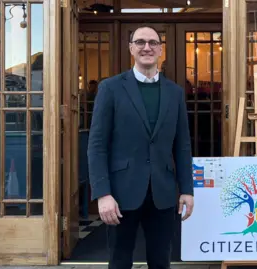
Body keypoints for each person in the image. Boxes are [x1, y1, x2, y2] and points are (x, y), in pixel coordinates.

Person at [87, 25, 194, 269]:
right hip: (121, 193)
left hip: (163, 193)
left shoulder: (174, 92)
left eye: (153, 42)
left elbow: (183, 145)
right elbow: (97, 145)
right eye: (140, 42)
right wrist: (103, 194)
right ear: (131, 48)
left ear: (160, 49)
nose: (147, 47)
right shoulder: (110, 88)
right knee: (120, 260)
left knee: (161, 261)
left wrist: (187, 189)